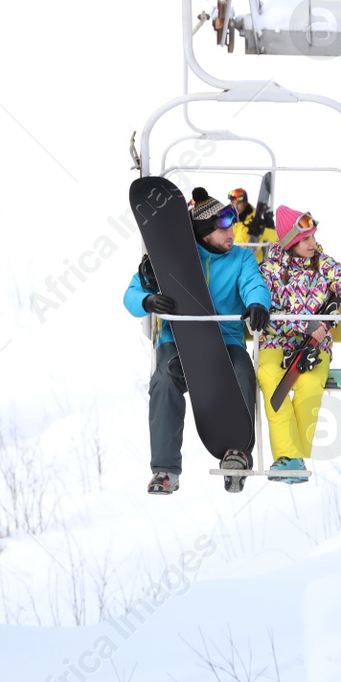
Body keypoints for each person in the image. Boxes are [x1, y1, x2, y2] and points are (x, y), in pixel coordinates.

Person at [124, 187, 272, 495]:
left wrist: (257, 303)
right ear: (205, 232)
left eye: (232, 224)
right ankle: (165, 470)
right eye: (223, 227)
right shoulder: (173, 258)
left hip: (225, 341)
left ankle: (237, 453)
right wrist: (148, 301)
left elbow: (253, 284)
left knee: (242, 371)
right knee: (164, 380)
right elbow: (130, 294)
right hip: (177, 340)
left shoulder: (241, 258)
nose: (232, 232)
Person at [256, 207, 341, 483]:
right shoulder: (269, 270)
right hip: (276, 340)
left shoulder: (323, 265)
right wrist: (303, 324)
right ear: (291, 242)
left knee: (307, 385)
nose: (313, 243)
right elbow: (261, 305)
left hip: (314, 345)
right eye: (306, 239)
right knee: (271, 378)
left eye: (313, 237)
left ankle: (291, 458)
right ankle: (292, 458)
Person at [228, 186, 277, 257]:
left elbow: (276, 239)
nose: (235, 206)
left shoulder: (257, 219)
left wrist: (261, 231)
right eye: (233, 203)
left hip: (253, 262)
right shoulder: (225, 218)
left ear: (245, 203)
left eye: (238, 203)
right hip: (231, 262)